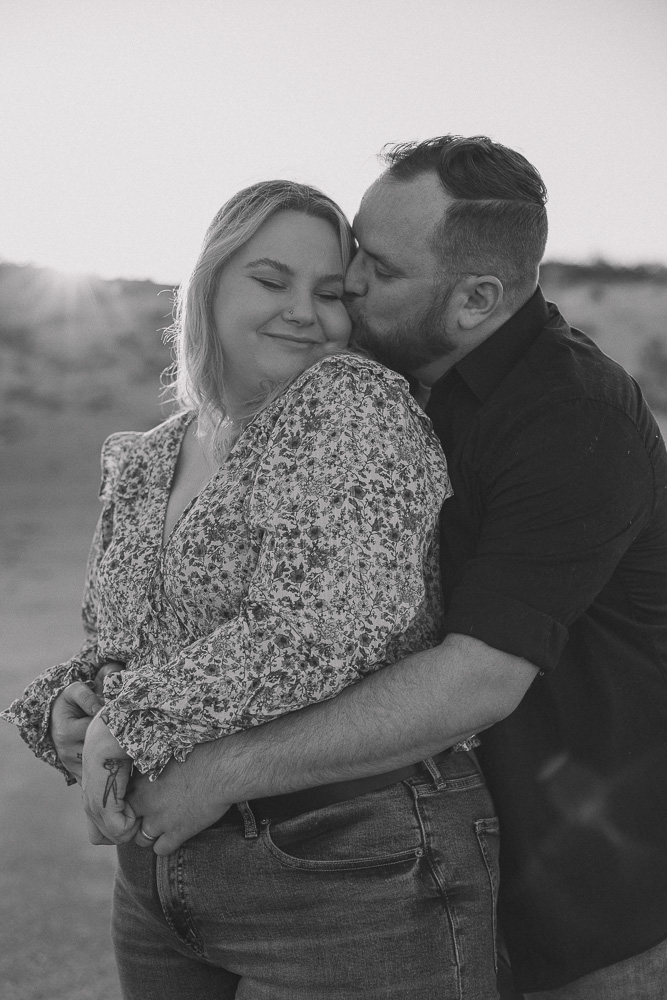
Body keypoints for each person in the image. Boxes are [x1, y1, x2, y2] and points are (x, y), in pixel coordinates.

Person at [85, 137, 667, 999]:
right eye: (353, 252)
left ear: (475, 300)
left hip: (583, 880)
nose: (347, 285)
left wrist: (214, 767)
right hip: (417, 842)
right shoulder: (361, 386)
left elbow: (474, 680)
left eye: (375, 270)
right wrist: (93, 701)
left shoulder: (572, 419)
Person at [2, 179, 501, 1000]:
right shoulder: (147, 456)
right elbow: (133, 641)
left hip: (349, 863)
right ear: (210, 284)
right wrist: (77, 700)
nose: (305, 311)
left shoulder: (354, 408)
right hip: (163, 869)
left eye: (331, 293)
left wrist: (136, 718)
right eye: (271, 281)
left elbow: (331, 626)